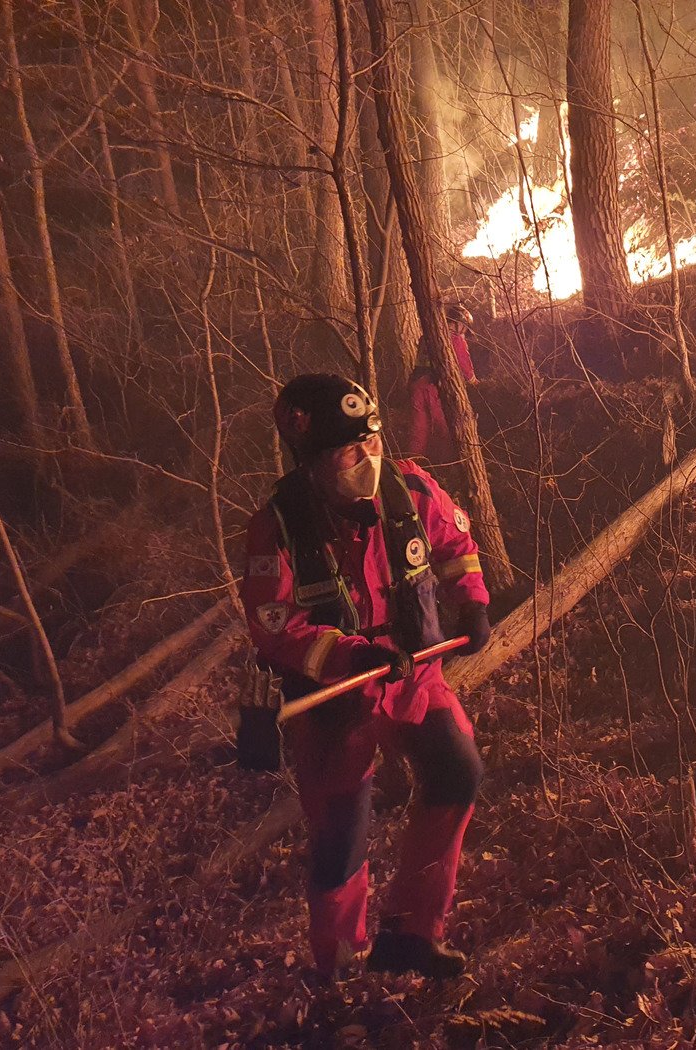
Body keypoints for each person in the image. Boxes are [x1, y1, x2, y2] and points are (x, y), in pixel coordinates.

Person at [240, 372, 492, 979]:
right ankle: (341, 967)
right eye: (350, 452)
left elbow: (455, 543)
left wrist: (472, 601)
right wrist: (350, 656)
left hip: (412, 676)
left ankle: (412, 934)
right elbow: (275, 626)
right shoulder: (278, 528)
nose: (368, 460)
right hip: (334, 697)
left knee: (456, 771)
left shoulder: (409, 488)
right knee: (342, 832)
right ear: (312, 460)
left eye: (372, 442)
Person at [407, 303, 476, 463]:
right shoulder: (455, 339)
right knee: (443, 427)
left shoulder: (427, 336)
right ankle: (444, 466)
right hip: (435, 388)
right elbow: (466, 369)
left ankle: (412, 464)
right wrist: (474, 382)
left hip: (417, 385)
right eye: (464, 328)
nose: (464, 332)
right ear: (458, 323)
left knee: (419, 428)